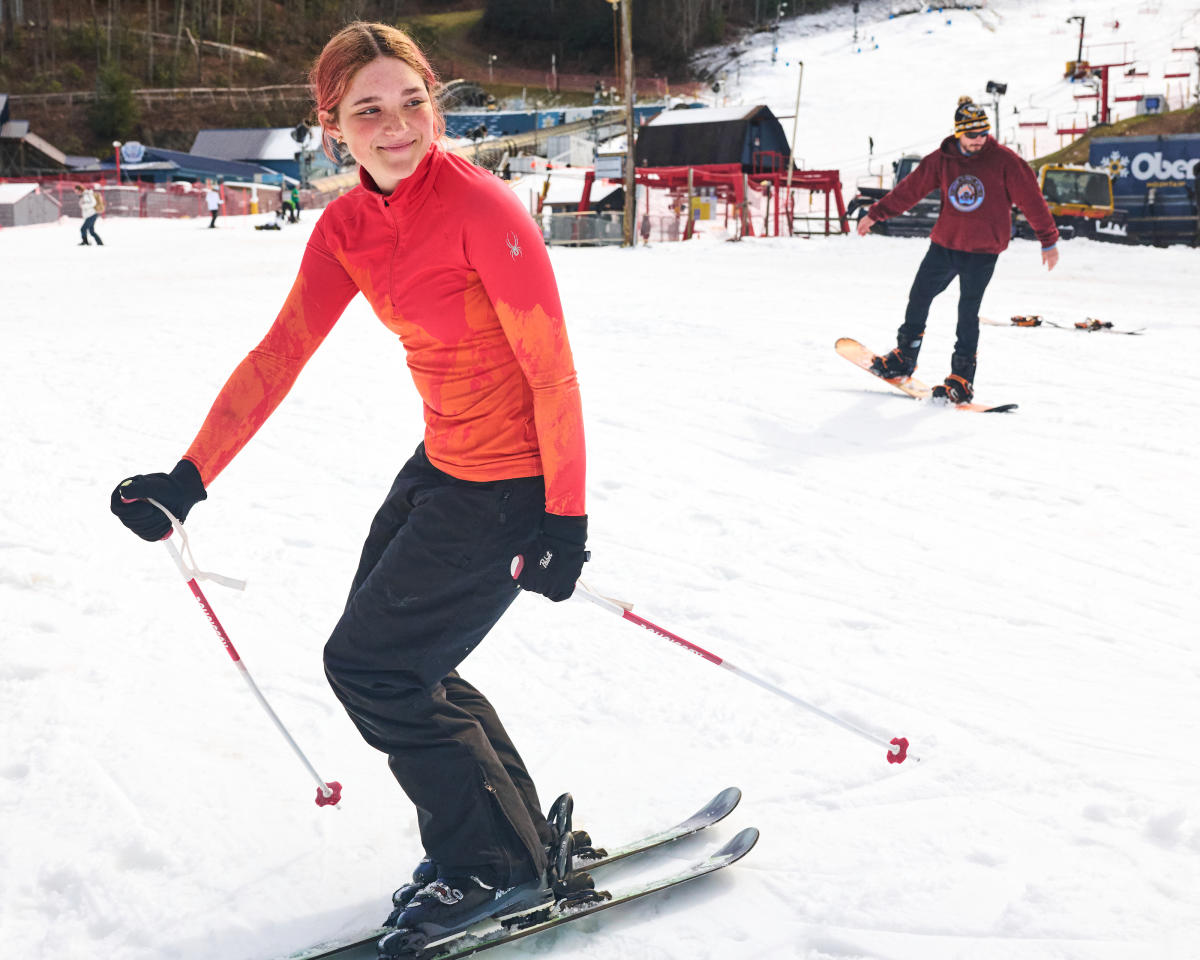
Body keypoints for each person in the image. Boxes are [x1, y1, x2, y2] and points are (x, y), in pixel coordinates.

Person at [109, 20, 587, 955]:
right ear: (334, 128)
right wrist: (187, 477)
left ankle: (488, 863)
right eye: (370, 110)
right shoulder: (345, 226)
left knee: (375, 667)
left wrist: (564, 516)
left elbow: (553, 374)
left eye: (414, 102)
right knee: (402, 662)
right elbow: (282, 351)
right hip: (443, 462)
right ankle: (512, 842)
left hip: (509, 483)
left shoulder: (485, 209)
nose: (399, 125)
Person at [856, 96, 1060, 403]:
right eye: (973, 135)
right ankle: (903, 358)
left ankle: (962, 379)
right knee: (919, 296)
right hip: (946, 244)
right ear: (958, 133)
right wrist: (876, 213)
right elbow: (909, 190)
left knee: (967, 312)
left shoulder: (1005, 161)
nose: (980, 140)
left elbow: (1031, 199)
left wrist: (1048, 239)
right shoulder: (941, 160)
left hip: (983, 250)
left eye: (984, 133)